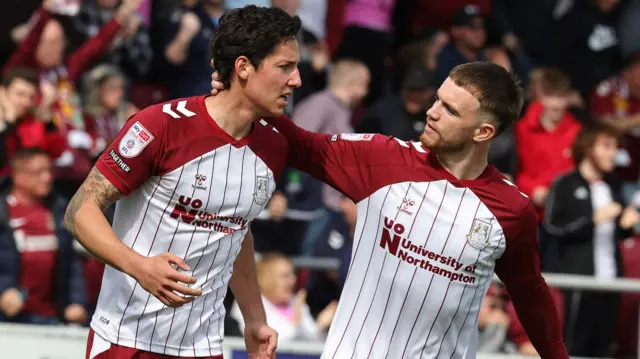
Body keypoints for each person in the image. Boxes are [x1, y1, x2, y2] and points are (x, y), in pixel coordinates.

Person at [211, 61, 568, 358]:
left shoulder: (511, 209)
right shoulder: (382, 160)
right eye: (438, 99)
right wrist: (239, 99)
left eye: (450, 110)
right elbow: (299, 144)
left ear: (483, 132)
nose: (432, 112)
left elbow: (530, 292)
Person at [64, 5, 302, 359]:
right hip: (125, 340)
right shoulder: (161, 126)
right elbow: (78, 210)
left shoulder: (273, 147)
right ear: (243, 67)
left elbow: (236, 231)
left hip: (203, 348)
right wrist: (139, 267)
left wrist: (255, 319)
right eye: (284, 67)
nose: (296, 80)